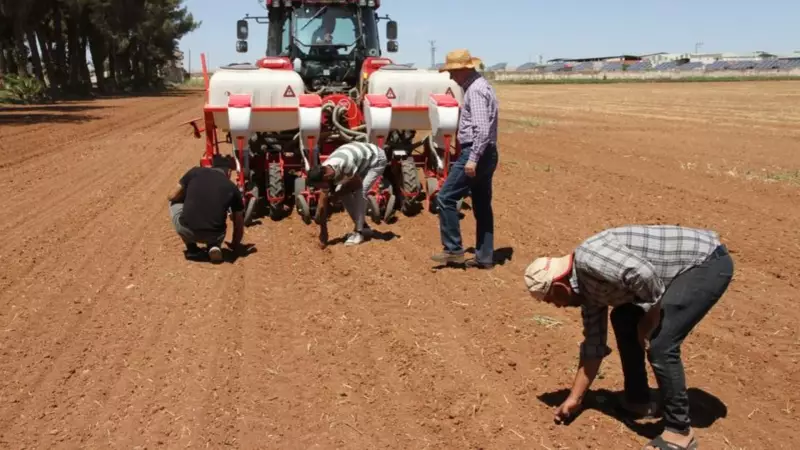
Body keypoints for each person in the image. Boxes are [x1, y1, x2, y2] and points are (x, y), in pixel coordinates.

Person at [523, 225, 734, 450]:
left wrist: (650, 319)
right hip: (673, 274)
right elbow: (594, 345)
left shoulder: (588, 259)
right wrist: (575, 399)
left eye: (550, 299)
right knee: (623, 318)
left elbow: (643, 273)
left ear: (558, 286)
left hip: (705, 262)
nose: (556, 306)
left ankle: (680, 432)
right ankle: (639, 400)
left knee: (661, 344)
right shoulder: (588, 295)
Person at [431, 49, 499, 269]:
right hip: (488, 153)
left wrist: (473, 159)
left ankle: (453, 250)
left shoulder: (475, 91)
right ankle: (485, 257)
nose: (450, 77)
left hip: (476, 153)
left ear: (463, 70)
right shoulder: (482, 86)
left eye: (452, 72)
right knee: (481, 206)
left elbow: (482, 128)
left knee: (445, 198)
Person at [307, 141, 388, 247]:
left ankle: (359, 233)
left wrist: (335, 195)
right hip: (360, 161)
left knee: (361, 191)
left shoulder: (345, 166)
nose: (320, 188)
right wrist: (323, 230)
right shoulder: (325, 170)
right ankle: (364, 228)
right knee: (343, 194)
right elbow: (323, 203)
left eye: (320, 185)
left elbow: (356, 184)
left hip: (376, 159)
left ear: (326, 177)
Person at [167, 154, 245, 263]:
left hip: (187, 229)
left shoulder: (195, 172)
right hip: (215, 235)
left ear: (212, 167)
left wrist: (185, 198)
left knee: (173, 201)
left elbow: (172, 195)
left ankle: (192, 249)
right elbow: (239, 222)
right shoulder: (232, 187)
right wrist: (235, 244)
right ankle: (214, 246)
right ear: (228, 172)